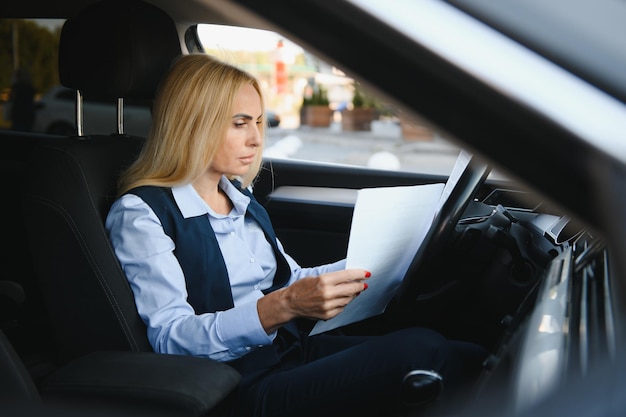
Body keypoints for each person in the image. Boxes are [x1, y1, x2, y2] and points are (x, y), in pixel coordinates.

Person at [105, 53, 485, 417]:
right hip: (232, 386)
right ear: (193, 125)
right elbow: (171, 338)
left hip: (287, 352)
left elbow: (289, 281)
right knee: (424, 353)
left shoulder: (238, 197)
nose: (256, 139)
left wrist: (376, 262)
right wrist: (282, 306)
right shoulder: (143, 214)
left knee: (465, 352)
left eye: (257, 122)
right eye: (239, 124)